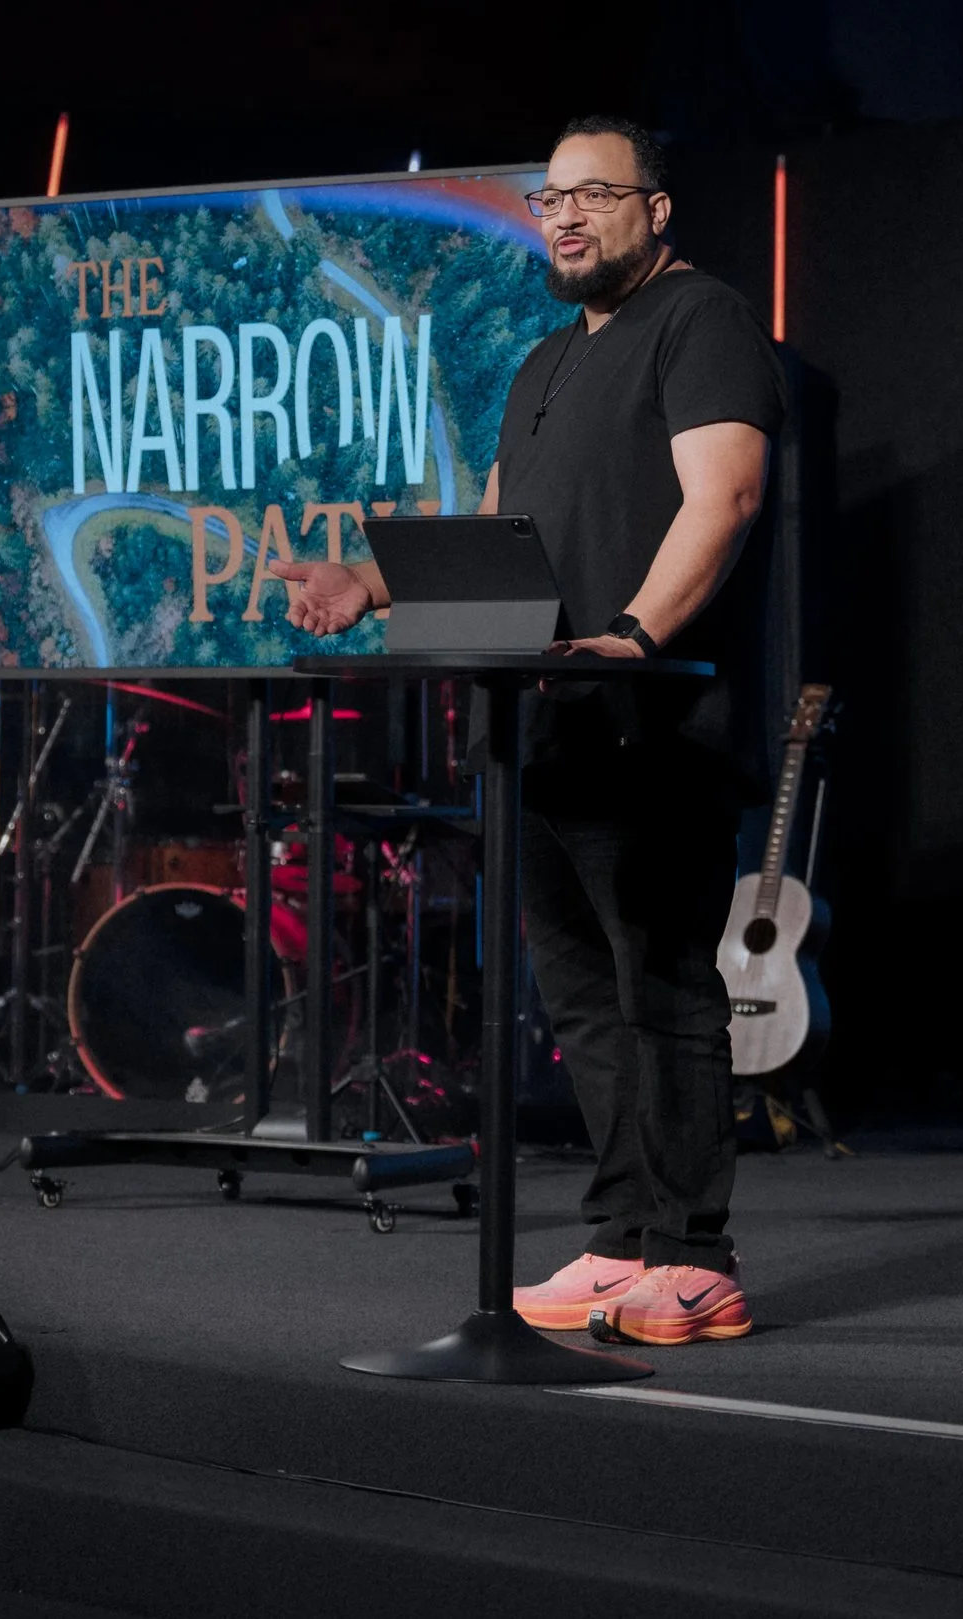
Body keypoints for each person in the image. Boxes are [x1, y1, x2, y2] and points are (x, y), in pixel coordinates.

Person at [273, 115, 782, 1345]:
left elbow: (728, 493)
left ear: (654, 211)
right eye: (548, 198)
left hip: (649, 715)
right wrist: (370, 585)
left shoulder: (699, 320)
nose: (560, 216)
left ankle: (694, 1255)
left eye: (592, 194)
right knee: (584, 1002)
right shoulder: (547, 361)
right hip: (543, 722)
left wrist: (636, 633)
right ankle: (619, 1239)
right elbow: (502, 531)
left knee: (663, 989)